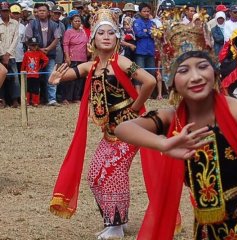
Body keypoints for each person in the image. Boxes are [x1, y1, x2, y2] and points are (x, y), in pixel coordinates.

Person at [114, 22, 237, 240]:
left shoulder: (236, 110)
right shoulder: (171, 118)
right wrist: (163, 144)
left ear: (215, 71)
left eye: (202, 66)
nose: (195, 76)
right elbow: (123, 128)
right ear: (172, 81)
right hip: (207, 228)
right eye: (183, 70)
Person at [48, 9, 156, 240]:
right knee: (95, 174)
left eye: (110, 33)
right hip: (109, 132)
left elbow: (150, 81)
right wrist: (55, 79)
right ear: (93, 39)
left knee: (113, 172)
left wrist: (136, 107)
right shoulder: (92, 65)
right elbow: (70, 74)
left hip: (131, 129)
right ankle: (115, 220)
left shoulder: (123, 61)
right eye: (101, 33)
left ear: (117, 38)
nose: (106, 37)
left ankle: (116, 225)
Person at [61, 11, 89, 104]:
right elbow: (65, 44)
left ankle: (76, 97)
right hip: (72, 58)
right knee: (70, 79)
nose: (77, 22)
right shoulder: (68, 32)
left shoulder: (83, 32)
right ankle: (67, 98)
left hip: (83, 58)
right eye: (75, 21)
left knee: (80, 80)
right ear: (71, 22)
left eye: (79, 21)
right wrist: (67, 57)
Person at [21, 37, 49, 107]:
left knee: (36, 88)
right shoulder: (26, 54)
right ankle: (27, 102)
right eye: (32, 45)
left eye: (36, 45)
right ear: (29, 45)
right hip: (28, 75)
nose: (34, 47)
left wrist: (40, 67)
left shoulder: (39, 53)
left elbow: (46, 60)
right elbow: (23, 64)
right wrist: (22, 72)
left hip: (36, 75)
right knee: (27, 88)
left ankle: (35, 102)